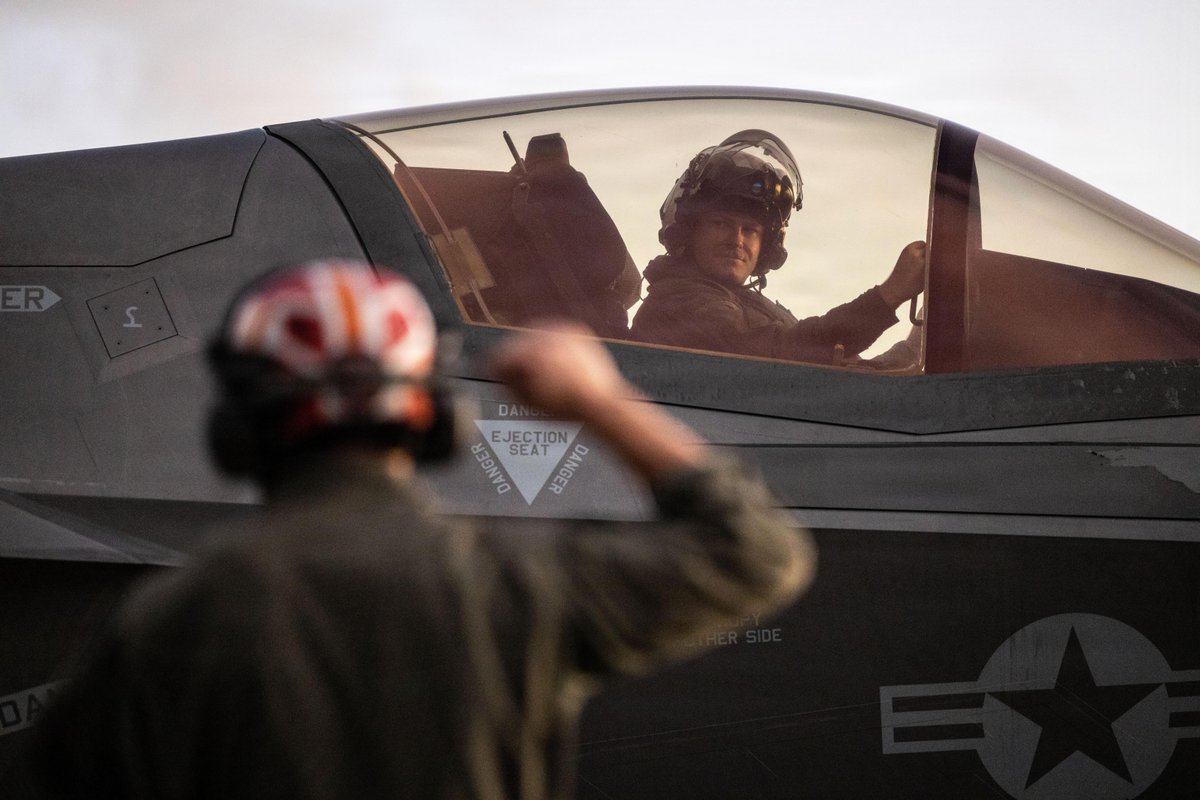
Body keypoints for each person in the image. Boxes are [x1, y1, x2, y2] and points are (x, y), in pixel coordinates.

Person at [14, 259, 814, 799]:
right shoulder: (518, 584)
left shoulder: (165, 624)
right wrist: (596, 399)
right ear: (431, 417)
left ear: (240, 426)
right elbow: (755, 551)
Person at [629, 130, 926, 366]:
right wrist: (890, 294)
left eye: (751, 230)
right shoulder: (680, 302)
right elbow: (785, 352)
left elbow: (853, 376)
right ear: (691, 230)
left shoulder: (745, 305)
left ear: (767, 245)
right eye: (721, 223)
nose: (737, 240)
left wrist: (920, 340)